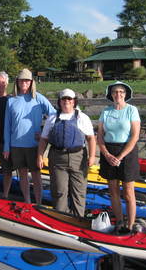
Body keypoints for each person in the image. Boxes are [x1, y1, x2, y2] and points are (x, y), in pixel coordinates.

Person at [37, 89, 96, 217]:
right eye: (64, 99)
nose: (66, 102)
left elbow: (91, 138)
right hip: (57, 158)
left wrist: (92, 156)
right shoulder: (52, 118)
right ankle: (60, 218)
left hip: (78, 157)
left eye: (69, 99)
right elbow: (44, 139)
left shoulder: (82, 117)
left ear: (74, 101)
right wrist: (40, 156)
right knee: (59, 191)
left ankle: (78, 218)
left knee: (78, 191)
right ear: (60, 102)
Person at [3, 68, 56, 204]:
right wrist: (6, 146)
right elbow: (7, 126)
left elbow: (54, 115)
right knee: (22, 175)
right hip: (16, 145)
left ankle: (38, 203)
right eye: (22, 80)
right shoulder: (11, 100)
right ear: (17, 82)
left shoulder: (38, 98)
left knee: (36, 175)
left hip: (34, 145)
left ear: (31, 82)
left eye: (27, 80)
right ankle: (27, 202)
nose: (24, 83)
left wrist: (45, 133)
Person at [97, 81, 140, 233]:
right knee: (113, 190)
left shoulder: (131, 110)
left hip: (127, 152)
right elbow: (100, 136)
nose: (118, 94)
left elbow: (135, 136)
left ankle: (130, 224)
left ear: (126, 94)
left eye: (121, 92)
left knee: (128, 191)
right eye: (115, 92)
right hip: (109, 151)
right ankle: (120, 221)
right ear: (111, 94)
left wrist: (121, 156)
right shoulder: (106, 111)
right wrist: (107, 154)